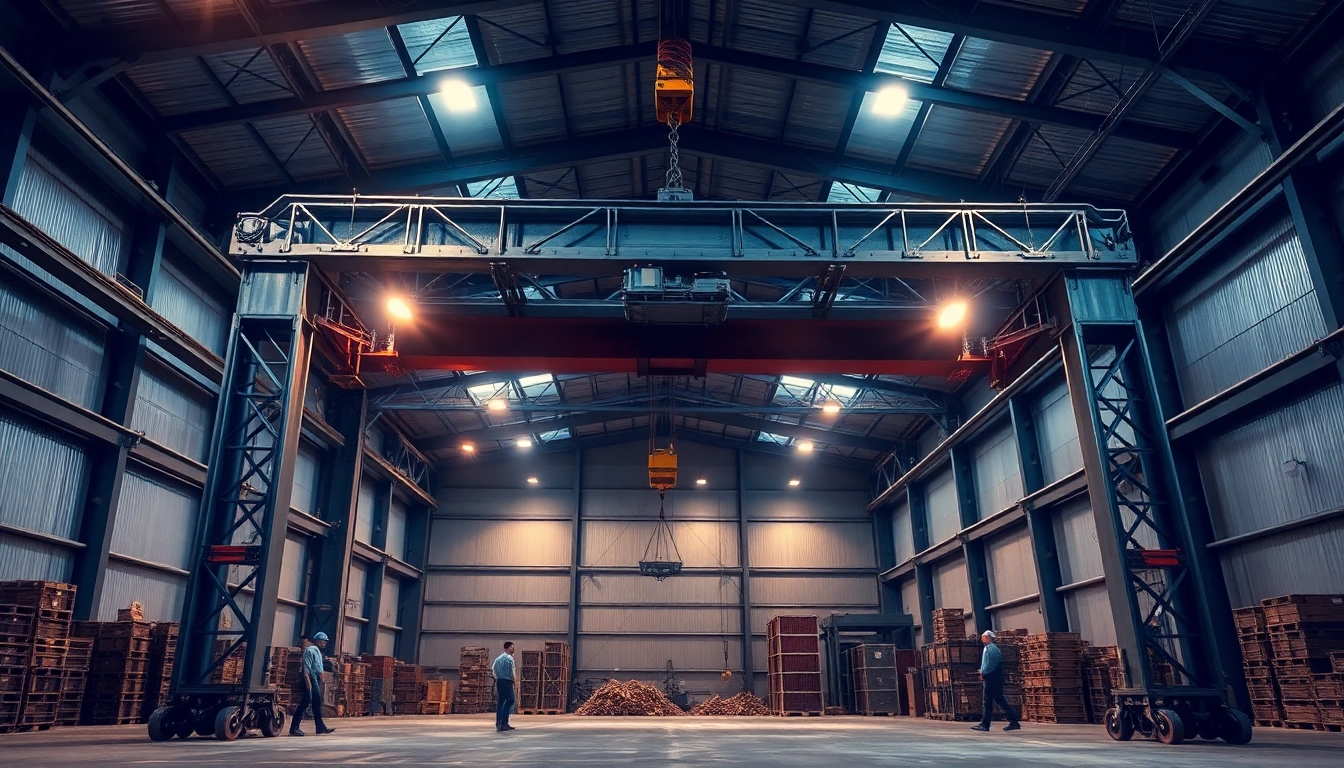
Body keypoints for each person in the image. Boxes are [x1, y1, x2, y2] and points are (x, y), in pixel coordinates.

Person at [971, 630, 1020, 733]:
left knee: (987, 701)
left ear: (988, 638)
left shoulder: (990, 649)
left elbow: (989, 664)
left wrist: (983, 673)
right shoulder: (992, 648)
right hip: (995, 677)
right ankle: (1013, 721)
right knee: (999, 699)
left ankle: (985, 724)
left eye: (983, 637)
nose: (981, 638)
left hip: (991, 677)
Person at [290, 632, 336, 736]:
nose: (325, 643)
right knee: (305, 703)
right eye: (324, 641)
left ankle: (320, 727)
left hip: (315, 679)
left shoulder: (318, 652)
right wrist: (308, 684)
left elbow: (320, 669)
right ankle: (294, 728)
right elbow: (306, 669)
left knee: (317, 703)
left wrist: (321, 682)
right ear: (318, 640)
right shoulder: (310, 651)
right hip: (309, 679)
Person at [492, 641, 517, 732]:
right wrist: (515, 681)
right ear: (509, 647)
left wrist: (497, 679)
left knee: (501, 701)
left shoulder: (497, 659)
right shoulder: (510, 658)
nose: (513, 649)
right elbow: (512, 671)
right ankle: (504, 722)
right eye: (512, 647)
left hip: (499, 681)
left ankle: (499, 722)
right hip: (507, 681)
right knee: (510, 700)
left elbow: (493, 670)